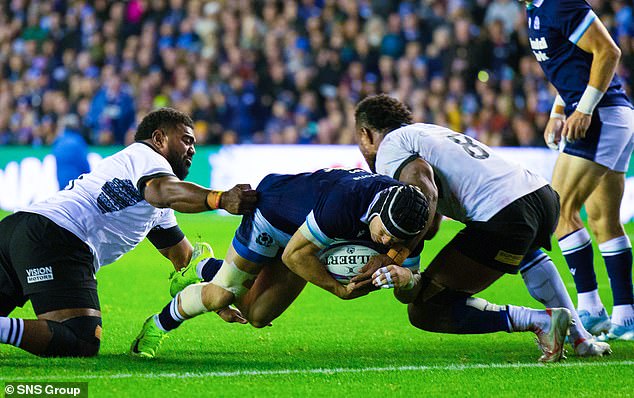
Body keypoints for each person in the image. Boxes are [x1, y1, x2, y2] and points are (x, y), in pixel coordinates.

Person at [132, 168, 571, 363]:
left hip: (310, 242)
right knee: (224, 294)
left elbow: (408, 293)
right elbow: (294, 254)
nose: (386, 243)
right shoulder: (347, 204)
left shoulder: (409, 222)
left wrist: (404, 276)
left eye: (396, 242)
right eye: (383, 235)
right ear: (375, 213)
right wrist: (339, 288)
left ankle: (213, 274)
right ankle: (165, 316)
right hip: (275, 216)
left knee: (257, 315)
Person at [353, 94, 611, 360]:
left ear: (366, 134)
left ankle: (540, 322)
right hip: (540, 195)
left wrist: (396, 256)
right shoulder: (426, 132)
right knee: (528, 254)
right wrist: (410, 261)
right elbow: (430, 220)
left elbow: (424, 192)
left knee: (426, 307)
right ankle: (580, 338)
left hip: (506, 212)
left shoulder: (389, 149)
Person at [0, 107, 257, 357]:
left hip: (18, 229)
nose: (192, 149)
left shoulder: (153, 198)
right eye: (186, 140)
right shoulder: (146, 158)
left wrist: (217, 297)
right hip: (57, 238)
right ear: (159, 138)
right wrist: (219, 199)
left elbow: (186, 262)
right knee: (79, 339)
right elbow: (163, 190)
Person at [525, 0, 634, 340]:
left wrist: (584, 109)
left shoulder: (559, 3)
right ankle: (626, 316)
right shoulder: (536, 10)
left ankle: (590, 309)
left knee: (560, 211)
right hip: (611, 115)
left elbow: (608, 51)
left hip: (599, 117)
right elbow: (571, 67)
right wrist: (560, 110)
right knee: (603, 221)